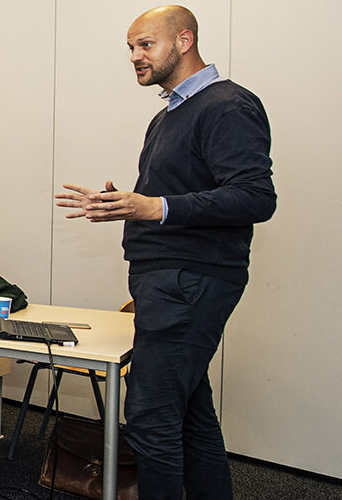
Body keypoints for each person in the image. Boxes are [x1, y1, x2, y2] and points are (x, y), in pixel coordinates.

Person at [53, 7, 275, 498]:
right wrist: (124, 205)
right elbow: (173, 198)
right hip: (165, 282)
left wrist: (151, 206)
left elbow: (257, 198)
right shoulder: (166, 116)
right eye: (130, 48)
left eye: (145, 45)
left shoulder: (227, 105)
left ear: (184, 40)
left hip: (190, 282)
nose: (134, 56)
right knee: (189, 414)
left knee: (151, 420)